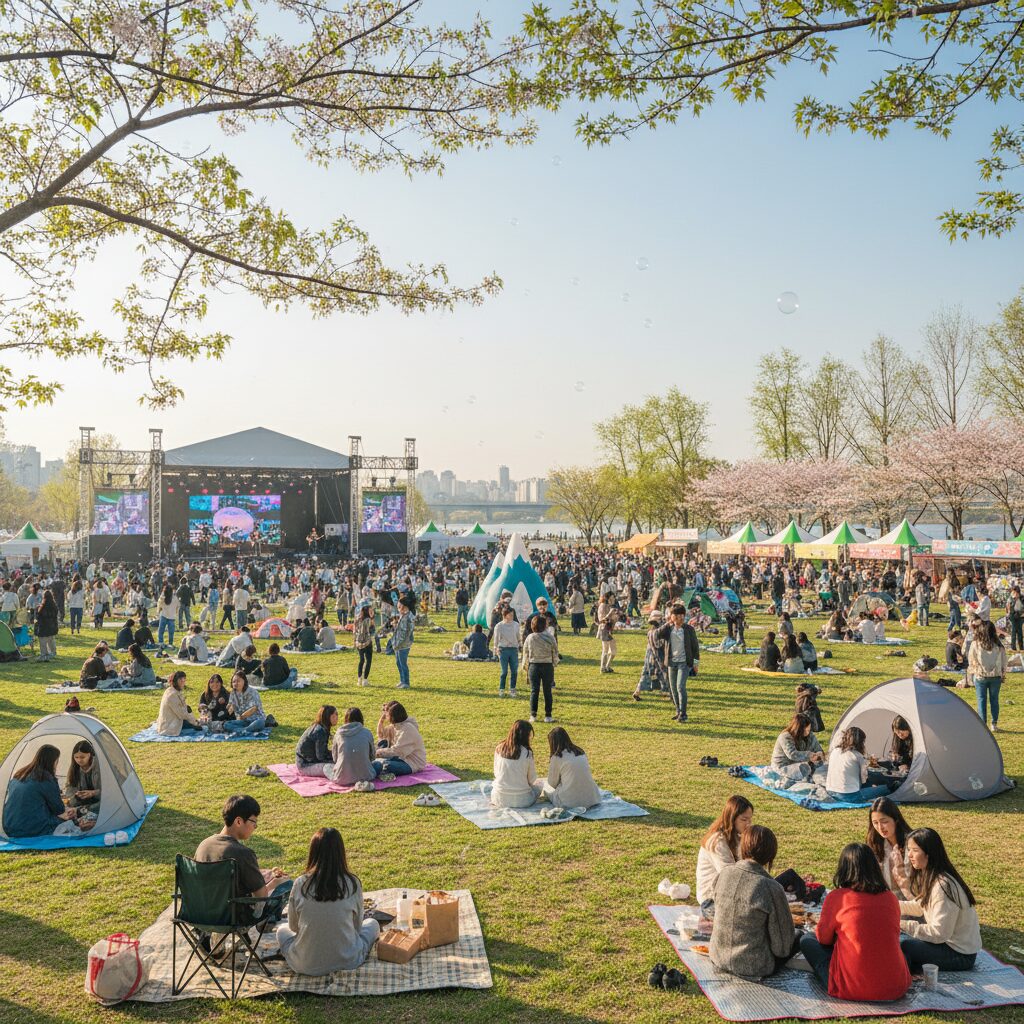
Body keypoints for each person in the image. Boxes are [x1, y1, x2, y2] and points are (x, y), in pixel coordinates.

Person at [799, 843, 911, 1000]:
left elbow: (824, 939)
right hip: (897, 986)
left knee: (807, 940)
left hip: (852, 988)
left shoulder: (838, 897)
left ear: (844, 869)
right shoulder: (890, 898)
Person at [275, 827, 378, 975]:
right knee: (373, 924)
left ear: (313, 852)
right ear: (341, 853)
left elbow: (293, 926)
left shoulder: (300, 884)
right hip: (348, 960)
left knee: (281, 930)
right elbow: (356, 927)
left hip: (305, 964)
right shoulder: (352, 882)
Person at [709, 825, 799, 980]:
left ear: (742, 847)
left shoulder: (724, 874)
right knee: (801, 937)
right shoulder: (771, 888)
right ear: (771, 854)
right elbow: (782, 948)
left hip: (718, 955)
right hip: (754, 966)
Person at [194, 794, 291, 933]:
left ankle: (211, 938)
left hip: (201, 914)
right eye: (253, 822)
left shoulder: (204, 845)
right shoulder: (242, 853)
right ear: (239, 821)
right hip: (234, 918)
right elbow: (261, 895)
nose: (255, 827)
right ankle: (265, 923)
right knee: (286, 884)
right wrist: (275, 883)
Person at [899, 828, 981, 974]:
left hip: (960, 955)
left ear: (929, 853)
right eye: (909, 850)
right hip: (949, 946)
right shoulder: (933, 876)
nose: (909, 855)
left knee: (904, 946)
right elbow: (920, 906)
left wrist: (901, 924)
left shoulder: (943, 885)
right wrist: (891, 906)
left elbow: (939, 933)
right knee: (901, 941)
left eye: (915, 850)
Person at [2, 744, 92, 838]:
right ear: (53, 761)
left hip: (8, 826)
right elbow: (59, 809)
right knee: (70, 818)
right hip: (30, 829)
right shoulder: (46, 778)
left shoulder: (20, 773)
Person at [696, 795, 754, 918]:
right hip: (711, 899)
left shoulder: (738, 835)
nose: (748, 824)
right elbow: (730, 877)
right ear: (732, 818)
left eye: (750, 819)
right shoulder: (717, 841)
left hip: (731, 893)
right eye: (744, 820)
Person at [657, 604, 700, 723]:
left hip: (684, 663)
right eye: (676, 615)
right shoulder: (668, 629)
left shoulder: (689, 630)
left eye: (682, 615)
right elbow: (657, 635)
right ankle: (678, 711)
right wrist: (667, 623)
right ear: (672, 616)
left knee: (680, 687)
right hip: (671, 663)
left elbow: (695, 648)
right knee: (673, 689)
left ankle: (684, 713)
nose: (680, 618)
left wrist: (696, 664)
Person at [826, 727, 890, 803]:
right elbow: (864, 781)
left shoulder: (835, 751)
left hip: (830, 792)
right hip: (848, 796)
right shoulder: (857, 756)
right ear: (861, 742)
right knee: (886, 788)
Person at [542, 726, 601, 808]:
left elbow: (552, 783)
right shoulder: (580, 751)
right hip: (592, 798)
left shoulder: (557, 757)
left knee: (547, 791)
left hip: (570, 802)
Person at [867, 796, 912, 897]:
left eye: (884, 821)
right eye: (875, 823)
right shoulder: (874, 844)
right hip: (884, 900)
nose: (880, 827)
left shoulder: (912, 843)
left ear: (895, 819)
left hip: (912, 900)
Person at [490, 719, 541, 808]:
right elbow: (532, 779)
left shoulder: (499, 748)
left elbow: (496, 773)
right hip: (523, 800)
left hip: (498, 798)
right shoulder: (527, 753)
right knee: (540, 784)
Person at [967, 619, 1006, 732]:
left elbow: (971, 659)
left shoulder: (976, 644)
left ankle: (983, 725)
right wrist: (1003, 673)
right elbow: (1004, 661)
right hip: (996, 676)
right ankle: (994, 724)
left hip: (980, 676)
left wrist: (974, 671)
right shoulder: (999, 645)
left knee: (981, 700)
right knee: (994, 700)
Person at [372, 700, 427, 777]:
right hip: (400, 758)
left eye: (387, 714)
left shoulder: (408, 728)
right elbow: (381, 734)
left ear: (393, 716)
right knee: (383, 743)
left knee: (382, 765)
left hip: (411, 763)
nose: (386, 716)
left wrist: (377, 752)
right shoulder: (397, 725)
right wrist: (381, 720)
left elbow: (397, 751)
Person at [329, 707, 379, 786]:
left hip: (342, 778)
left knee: (326, 767)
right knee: (378, 765)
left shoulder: (339, 734)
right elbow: (372, 757)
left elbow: (335, 758)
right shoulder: (367, 732)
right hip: (366, 776)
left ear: (346, 719)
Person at [524, 614, 558, 725]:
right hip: (547, 666)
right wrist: (555, 663)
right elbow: (555, 652)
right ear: (544, 626)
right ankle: (548, 715)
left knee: (534, 691)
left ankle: (533, 715)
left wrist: (525, 666)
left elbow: (525, 653)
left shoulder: (530, 637)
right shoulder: (550, 637)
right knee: (547, 691)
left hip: (533, 665)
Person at [771, 713, 824, 781]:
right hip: (784, 766)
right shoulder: (785, 737)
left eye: (809, 730)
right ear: (798, 729)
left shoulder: (809, 735)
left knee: (822, 765)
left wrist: (819, 754)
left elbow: (817, 748)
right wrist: (809, 755)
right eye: (806, 730)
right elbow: (792, 754)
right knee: (804, 769)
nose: (808, 732)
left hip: (800, 763)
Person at [633, 610, 668, 700]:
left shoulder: (650, 631)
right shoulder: (657, 632)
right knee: (662, 674)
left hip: (648, 656)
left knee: (645, 674)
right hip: (656, 656)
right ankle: (667, 692)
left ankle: (637, 692)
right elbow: (659, 645)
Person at [64, 740, 102, 815]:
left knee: (104, 805)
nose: (79, 760)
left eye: (82, 757)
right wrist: (76, 795)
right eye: (76, 757)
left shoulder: (101, 766)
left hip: (100, 799)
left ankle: (81, 810)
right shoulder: (74, 767)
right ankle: (80, 810)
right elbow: (69, 787)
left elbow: (111, 790)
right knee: (71, 805)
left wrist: (94, 793)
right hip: (84, 800)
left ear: (90, 755)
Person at [492, 606, 520, 697]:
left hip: (513, 650)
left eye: (512, 614)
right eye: (510, 614)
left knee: (514, 671)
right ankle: (502, 689)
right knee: (504, 671)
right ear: (504, 615)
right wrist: (496, 649)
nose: (512, 616)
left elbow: (518, 637)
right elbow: (496, 640)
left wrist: (520, 647)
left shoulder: (516, 625)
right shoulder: (499, 626)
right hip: (503, 650)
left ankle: (512, 689)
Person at [391, 595, 415, 689]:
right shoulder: (403, 615)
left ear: (405, 607)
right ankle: (402, 680)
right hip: (398, 643)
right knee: (398, 662)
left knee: (403, 663)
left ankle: (406, 682)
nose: (398, 609)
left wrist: (398, 643)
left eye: (400, 607)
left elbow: (406, 633)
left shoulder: (408, 617)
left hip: (403, 644)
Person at [34, 589, 59, 662]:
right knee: (51, 640)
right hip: (52, 626)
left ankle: (44, 655)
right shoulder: (54, 606)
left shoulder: (41, 607)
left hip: (43, 627)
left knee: (43, 642)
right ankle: (53, 653)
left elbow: (38, 617)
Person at [353, 605, 375, 687]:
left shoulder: (358, 619)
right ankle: (365, 680)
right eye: (371, 611)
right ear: (367, 612)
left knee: (361, 660)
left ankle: (359, 680)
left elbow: (355, 631)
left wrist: (355, 641)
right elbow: (372, 631)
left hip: (359, 642)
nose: (372, 612)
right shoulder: (369, 620)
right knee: (368, 661)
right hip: (367, 642)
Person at [596, 595, 618, 673]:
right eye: (612, 597)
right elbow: (601, 620)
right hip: (604, 630)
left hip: (609, 630)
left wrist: (616, 617)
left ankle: (607, 666)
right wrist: (610, 613)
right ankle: (603, 668)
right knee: (605, 649)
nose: (614, 599)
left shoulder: (609, 606)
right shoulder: (602, 606)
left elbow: (612, 619)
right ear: (607, 598)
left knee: (613, 650)